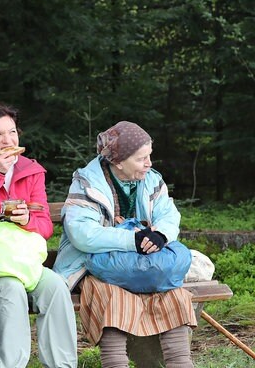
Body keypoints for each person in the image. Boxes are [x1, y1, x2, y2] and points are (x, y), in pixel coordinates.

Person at [53, 121, 196, 368]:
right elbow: (82, 233)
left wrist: (160, 234)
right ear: (118, 161)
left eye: (149, 156)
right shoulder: (88, 183)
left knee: (174, 295)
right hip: (95, 265)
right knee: (112, 296)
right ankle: (116, 364)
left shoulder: (151, 180)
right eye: (142, 159)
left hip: (143, 262)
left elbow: (169, 215)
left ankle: (179, 364)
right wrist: (133, 240)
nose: (149, 164)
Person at [0, 103, 77, 368]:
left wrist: (28, 220)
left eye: (12, 132)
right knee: (11, 292)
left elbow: (45, 226)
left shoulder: (31, 171)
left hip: (24, 259)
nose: (7, 140)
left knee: (57, 287)